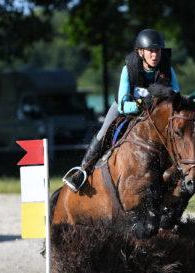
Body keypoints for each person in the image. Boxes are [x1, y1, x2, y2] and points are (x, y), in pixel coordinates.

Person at [64, 28, 181, 192]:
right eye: (150, 51)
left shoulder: (167, 68)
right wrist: (142, 104)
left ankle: (183, 171)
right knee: (104, 131)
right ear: (140, 52)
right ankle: (82, 172)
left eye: (158, 51)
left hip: (154, 113)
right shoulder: (130, 68)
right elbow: (123, 105)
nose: (155, 55)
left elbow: (176, 95)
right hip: (127, 108)